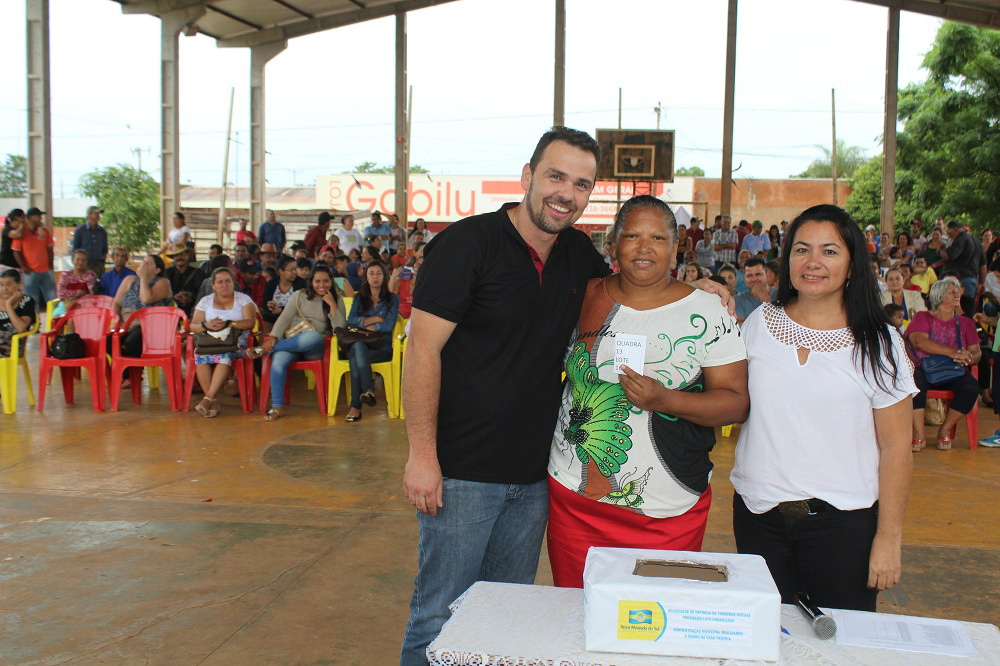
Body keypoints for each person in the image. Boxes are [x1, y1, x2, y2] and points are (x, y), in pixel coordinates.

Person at [399, 126, 730, 665]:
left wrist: (701, 287)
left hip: (534, 480)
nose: (566, 193)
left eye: (581, 184)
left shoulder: (577, 254)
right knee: (440, 614)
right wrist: (421, 455)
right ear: (528, 177)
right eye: (556, 177)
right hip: (461, 472)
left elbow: (636, 286)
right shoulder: (466, 244)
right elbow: (422, 353)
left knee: (504, 614)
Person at [547, 196, 748, 587]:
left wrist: (665, 399)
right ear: (613, 246)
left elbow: (736, 403)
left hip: (668, 507)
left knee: (653, 621)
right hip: (575, 498)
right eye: (632, 236)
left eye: (658, 237)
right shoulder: (582, 296)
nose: (644, 247)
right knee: (576, 615)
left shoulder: (707, 312)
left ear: (676, 248)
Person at [731, 204, 916, 612]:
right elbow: (732, 401)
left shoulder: (880, 343)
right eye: (802, 250)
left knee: (842, 643)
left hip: (844, 525)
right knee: (765, 636)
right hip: (758, 514)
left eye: (829, 251)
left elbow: (897, 447)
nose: (813, 262)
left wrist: (889, 537)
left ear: (852, 266)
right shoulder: (760, 323)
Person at [250, 264, 347, 421]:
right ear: (311, 281)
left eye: (326, 281)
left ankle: (266, 349)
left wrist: (333, 305)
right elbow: (285, 318)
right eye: (317, 281)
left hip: (315, 348)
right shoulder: (299, 295)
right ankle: (277, 406)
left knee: (313, 336)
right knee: (278, 361)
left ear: (331, 282)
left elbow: (340, 328)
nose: (322, 285)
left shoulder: (337, 299)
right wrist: (274, 336)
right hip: (292, 342)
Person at [906, 279, 981, 451]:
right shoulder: (923, 317)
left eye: (957, 292)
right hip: (924, 369)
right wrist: (953, 353)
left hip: (953, 370)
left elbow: (976, 352)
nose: (957, 295)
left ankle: (945, 428)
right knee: (914, 385)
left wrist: (967, 358)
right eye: (952, 292)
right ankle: (918, 434)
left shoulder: (965, 322)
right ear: (938, 296)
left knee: (971, 388)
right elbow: (919, 342)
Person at [190, 267, 256, 417]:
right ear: (213, 285)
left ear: (233, 283)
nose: (224, 285)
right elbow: (192, 325)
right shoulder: (205, 301)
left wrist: (229, 323)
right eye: (220, 282)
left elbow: (250, 323)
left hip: (236, 341)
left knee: (224, 356)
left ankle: (207, 398)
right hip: (211, 341)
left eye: (228, 281)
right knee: (200, 357)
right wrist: (206, 325)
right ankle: (212, 400)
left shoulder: (243, 299)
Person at [344, 262, 399, 422]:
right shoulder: (359, 298)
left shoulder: (392, 299)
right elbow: (351, 321)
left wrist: (364, 324)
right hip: (362, 344)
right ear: (366, 277)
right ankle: (368, 391)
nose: (375, 277)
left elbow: (388, 326)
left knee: (356, 357)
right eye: (371, 273)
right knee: (359, 347)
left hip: (382, 346)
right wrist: (374, 319)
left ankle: (356, 407)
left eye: (379, 273)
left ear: (384, 277)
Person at [109, 255, 174, 383]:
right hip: (126, 324)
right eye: (143, 262)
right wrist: (114, 322)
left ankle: (131, 375)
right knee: (108, 340)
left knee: (132, 342)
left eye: (148, 263)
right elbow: (116, 303)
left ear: (157, 270)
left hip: (150, 327)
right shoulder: (129, 280)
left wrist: (143, 278)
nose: (143, 264)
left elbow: (146, 298)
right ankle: (128, 374)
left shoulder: (163, 282)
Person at [12, 207, 56, 309]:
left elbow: (50, 249)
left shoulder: (44, 231)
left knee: (53, 300)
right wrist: (24, 268)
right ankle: (34, 324)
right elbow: (16, 252)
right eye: (37, 215)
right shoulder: (22, 233)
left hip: (46, 270)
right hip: (29, 272)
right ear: (29, 218)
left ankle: (55, 323)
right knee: (32, 301)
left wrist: (50, 265)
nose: (40, 218)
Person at [941, 221, 980, 317]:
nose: (949, 237)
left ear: (956, 229)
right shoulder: (976, 241)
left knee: (959, 309)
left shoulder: (961, 238)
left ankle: (963, 329)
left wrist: (940, 249)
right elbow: (983, 264)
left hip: (960, 279)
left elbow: (949, 255)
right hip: (972, 279)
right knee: (968, 308)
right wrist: (982, 282)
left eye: (949, 233)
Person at [261, 255, 307, 329]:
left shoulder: (301, 284)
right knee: (265, 320)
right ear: (281, 271)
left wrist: (282, 310)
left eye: (295, 269)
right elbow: (265, 303)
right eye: (290, 270)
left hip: (294, 318)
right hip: (272, 317)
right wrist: (270, 306)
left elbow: (301, 305)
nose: (294, 272)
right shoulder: (271, 284)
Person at [0, 268, 36, 360]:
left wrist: (8, 305)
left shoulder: (26, 301)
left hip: (15, 345)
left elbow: (20, 328)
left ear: (19, 284)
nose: (4, 288)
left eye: (9, 284)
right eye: (1, 284)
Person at [165, 242, 207, 317]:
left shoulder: (199, 273)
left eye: (182, 254)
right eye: (176, 255)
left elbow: (204, 294)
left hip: (194, 313)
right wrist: (175, 298)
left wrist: (191, 297)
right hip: (171, 312)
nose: (179, 257)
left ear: (187, 255)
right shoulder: (166, 273)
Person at [389, 242, 425, 319]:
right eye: (417, 263)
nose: (417, 265)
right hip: (400, 317)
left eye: (421, 264)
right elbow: (389, 297)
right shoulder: (402, 279)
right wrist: (393, 277)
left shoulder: (427, 286)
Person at [71, 205, 108, 276]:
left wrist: (102, 263)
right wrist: (77, 265)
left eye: (99, 214)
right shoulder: (80, 230)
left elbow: (104, 250)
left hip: (98, 265)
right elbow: (75, 249)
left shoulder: (102, 231)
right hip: (84, 265)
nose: (98, 216)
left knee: (98, 286)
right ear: (89, 215)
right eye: (96, 213)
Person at [733, 256, 770, 324]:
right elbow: (742, 329)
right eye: (749, 275)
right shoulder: (737, 300)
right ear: (744, 278)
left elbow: (778, 324)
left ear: (767, 275)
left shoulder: (779, 294)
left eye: (758, 274)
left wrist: (764, 298)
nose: (754, 279)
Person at [1, 209, 25, 274]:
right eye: (23, 217)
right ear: (16, 218)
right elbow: (18, 235)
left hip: (17, 265)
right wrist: (22, 223)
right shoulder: (7, 229)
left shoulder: (21, 229)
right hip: (7, 264)